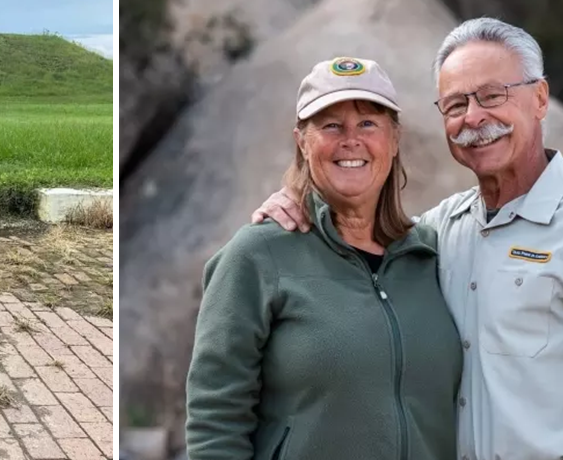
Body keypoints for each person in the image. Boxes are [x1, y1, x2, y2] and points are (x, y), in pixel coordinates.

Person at [248, 18, 563, 458]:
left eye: (493, 96)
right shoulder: (441, 230)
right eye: (456, 104)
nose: (474, 118)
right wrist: (302, 200)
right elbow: (359, 233)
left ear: (539, 98)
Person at [184, 57, 460, 459]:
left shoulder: (431, 254)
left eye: (368, 123)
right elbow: (215, 420)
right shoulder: (257, 256)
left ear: (394, 138)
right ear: (302, 140)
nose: (351, 140)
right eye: (331, 125)